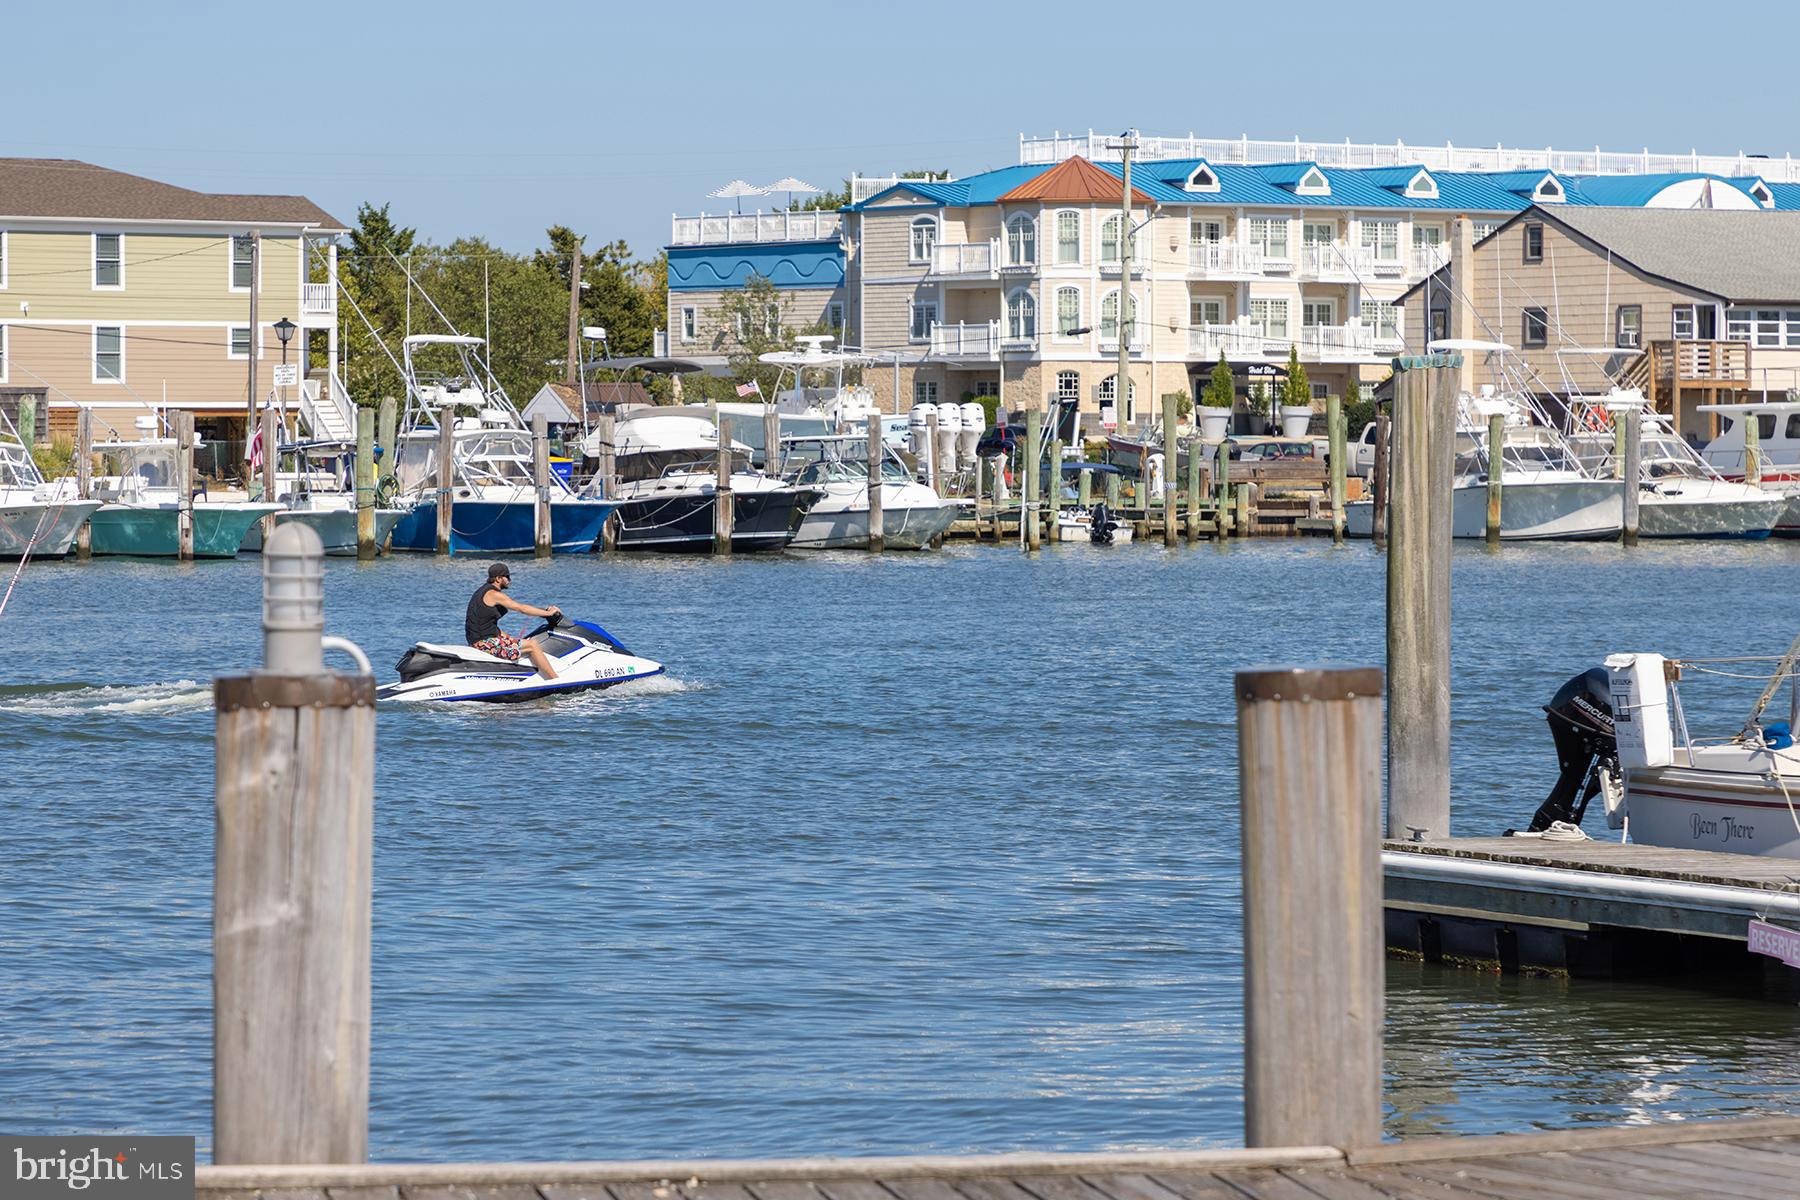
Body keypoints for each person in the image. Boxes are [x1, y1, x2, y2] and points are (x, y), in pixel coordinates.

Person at [465, 563, 562, 679]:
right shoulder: (494, 594)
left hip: (480, 640)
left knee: (522, 641)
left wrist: (506, 637)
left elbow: (484, 622)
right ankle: (554, 679)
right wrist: (548, 613)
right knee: (532, 645)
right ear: (498, 578)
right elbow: (521, 608)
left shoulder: (482, 591)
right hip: (484, 644)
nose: (510, 580)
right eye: (507, 576)